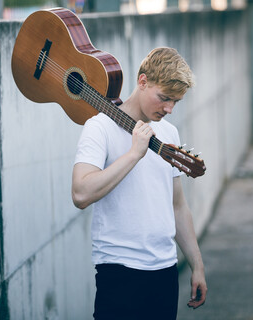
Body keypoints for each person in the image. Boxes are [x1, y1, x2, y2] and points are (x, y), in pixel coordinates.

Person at [72, 47, 207, 320]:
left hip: (165, 271)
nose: (169, 109)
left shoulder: (168, 132)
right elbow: (80, 193)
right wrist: (134, 153)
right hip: (119, 272)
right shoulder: (100, 127)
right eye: (164, 98)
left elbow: (178, 207)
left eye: (176, 102)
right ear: (143, 81)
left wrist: (197, 266)